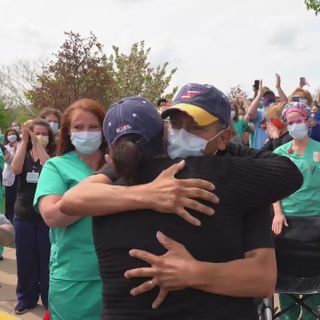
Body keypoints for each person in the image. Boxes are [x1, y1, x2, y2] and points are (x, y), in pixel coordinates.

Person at [61, 84, 302, 320]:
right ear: (163, 132)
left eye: (195, 127)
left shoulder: (105, 193)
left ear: (224, 136)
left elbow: (71, 200)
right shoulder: (236, 177)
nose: (183, 134)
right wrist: (150, 194)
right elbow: (263, 279)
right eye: (176, 125)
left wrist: (194, 273)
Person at [33, 99, 107, 320]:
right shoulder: (56, 167)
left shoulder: (120, 164)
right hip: (75, 279)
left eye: (94, 127)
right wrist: (104, 191)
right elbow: (52, 215)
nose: (87, 133)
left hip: (119, 275)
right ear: (68, 132)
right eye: (78, 127)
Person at [271, 102, 320, 320]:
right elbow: (273, 189)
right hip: (288, 219)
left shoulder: (318, 150)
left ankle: (311, 313)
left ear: (308, 121)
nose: (295, 126)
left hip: (316, 217)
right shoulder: (280, 152)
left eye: (299, 121)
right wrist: (278, 214)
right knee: (283, 265)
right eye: (290, 122)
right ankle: (287, 316)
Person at [11, 118, 55, 314]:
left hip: (46, 216)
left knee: (47, 259)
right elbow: (16, 169)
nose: (40, 137)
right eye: (36, 133)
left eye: (44, 133)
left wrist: (36, 143)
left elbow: (48, 165)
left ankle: (48, 298)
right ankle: (26, 298)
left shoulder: (54, 154)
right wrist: (24, 141)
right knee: (25, 259)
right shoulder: (23, 152)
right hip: (24, 215)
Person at [246, 74, 287, 149]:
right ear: (261, 99)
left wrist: (278, 87)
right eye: (265, 96)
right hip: (260, 150)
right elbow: (250, 113)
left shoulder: (278, 111)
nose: (268, 98)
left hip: (276, 148)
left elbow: (285, 103)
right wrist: (259, 94)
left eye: (270, 95)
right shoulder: (259, 112)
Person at [3, 128, 20, 222]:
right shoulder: (5, 148)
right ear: (7, 137)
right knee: (9, 197)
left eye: (13, 134)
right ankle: (8, 215)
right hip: (9, 175)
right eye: (9, 134)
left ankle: (15, 215)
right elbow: (8, 161)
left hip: (19, 175)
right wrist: (13, 150)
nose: (11, 136)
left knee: (17, 196)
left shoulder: (21, 145)